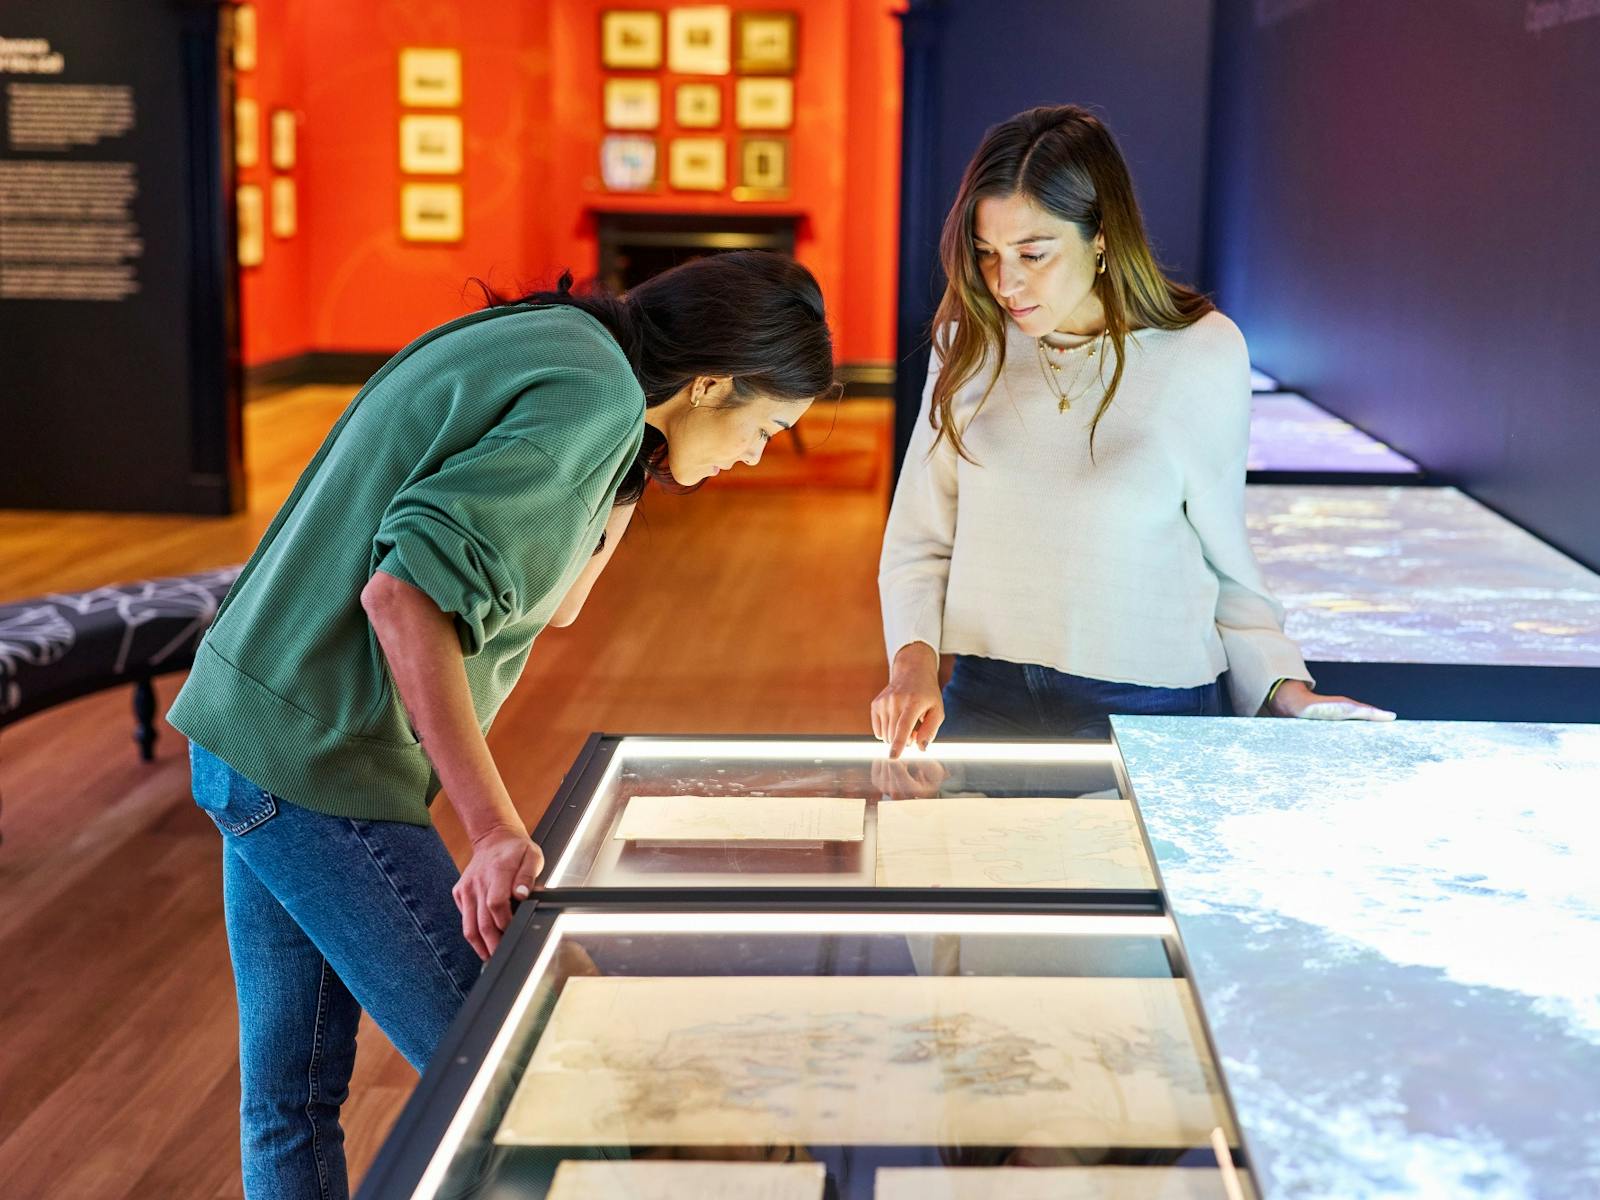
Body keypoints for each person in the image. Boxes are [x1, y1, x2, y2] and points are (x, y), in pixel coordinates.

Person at [167, 250, 836, 1199]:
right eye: (764, 425)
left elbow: (556, 603)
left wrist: (640, 466)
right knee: (517, 1078)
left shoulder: (566, 349)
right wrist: (490, 830)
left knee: (290, 1097)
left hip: (253, 726)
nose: (757, 451)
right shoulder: (593, 395)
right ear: (711, 382)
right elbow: (403, 596)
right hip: (315, 761)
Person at [872, 106, 1392, 757]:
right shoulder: (968, 340)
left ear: (1101, 236)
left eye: (1034, 253)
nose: (1006, 282)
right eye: (987, 254)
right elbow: (920, 536)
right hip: (986, 694)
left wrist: (1282, 687)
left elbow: (1224, 558)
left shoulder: (1201, 351)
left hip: (1148, 700)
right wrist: (912, 665)